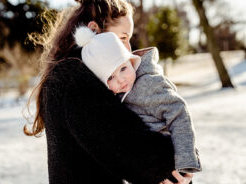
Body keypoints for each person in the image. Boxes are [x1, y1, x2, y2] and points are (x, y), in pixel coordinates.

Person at [24, 0, 194, 184]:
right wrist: (177, 157)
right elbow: (125, 146)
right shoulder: (71, 79)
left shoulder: (80, 76)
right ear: (94, 30)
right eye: (122, 38)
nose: (128, 48)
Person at [73, 26, 202, 175]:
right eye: (110, 77)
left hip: (171, 164)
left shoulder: (148, 84)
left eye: (123, 69)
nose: (121, 80)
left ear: (131, 61)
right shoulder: (118, 95)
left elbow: (179, 112)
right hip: (148, 166)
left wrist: (185, 160)